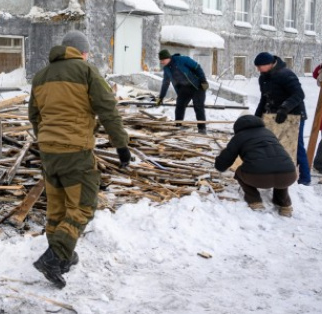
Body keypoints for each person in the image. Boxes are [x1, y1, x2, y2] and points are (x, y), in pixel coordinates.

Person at [28, 31, 131, 289]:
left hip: (48, 152)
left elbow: (34, 115)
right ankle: (55, 257)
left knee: (57, 207)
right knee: (83, 206)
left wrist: (47, 140)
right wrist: (121, 145)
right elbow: (107, 108)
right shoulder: (86, 71)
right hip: (75, 153)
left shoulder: (41, 76)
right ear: (81, 52)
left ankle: (63, 255)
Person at [215, 115, 297, 217]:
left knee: (240, 172)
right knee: (279, 168)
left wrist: (219, 165)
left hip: (258, 177)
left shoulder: (239, 137)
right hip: (289, 175)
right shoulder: (269, 133)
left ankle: (254, 200)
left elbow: (225, 160)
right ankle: (285, 205)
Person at [253, 52, 311, 185]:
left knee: (296, 145)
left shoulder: (286, 74)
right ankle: (279, 173)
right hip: (274, 116)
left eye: (260, 66)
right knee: (274, 145)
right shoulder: (263, 78)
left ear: (270, 64)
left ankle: (305, 179)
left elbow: (299, 94)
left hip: (293, 115)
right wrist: (257, 117)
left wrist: (284, 108)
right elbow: (264, 98)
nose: (258, 70)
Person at [156, 49, 209, 134]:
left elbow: (197, 67)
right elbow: (165, 83)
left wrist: (203, 81)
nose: (161, 62)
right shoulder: (166, 69)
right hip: (184, 88)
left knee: (198, 107)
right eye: (160, 60)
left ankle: (202, 129)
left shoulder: (182, 59)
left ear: (168, 58)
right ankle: (178, 126)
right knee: (179, 106)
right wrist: (161, 97)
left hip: (196, 86)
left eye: (162, 60)